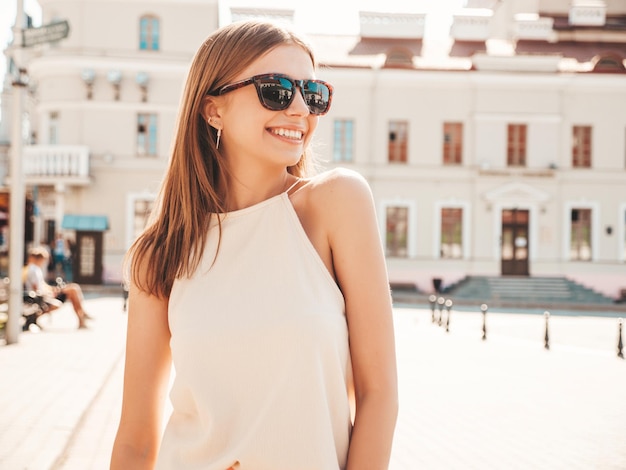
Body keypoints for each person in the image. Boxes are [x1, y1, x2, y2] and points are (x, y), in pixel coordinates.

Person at [111, 20, 398, 470]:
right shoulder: (164, 250)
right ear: (213, 110)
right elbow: (135, 439)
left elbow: (379, 395)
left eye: (314, 93)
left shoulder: (336, 204)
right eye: (277, 89)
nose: (301, 108)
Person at [24, 246, 91, 329]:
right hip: (43, 296)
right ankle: (82, 317)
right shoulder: (34, 270)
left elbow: (41, 285)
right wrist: (50, 292)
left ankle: (82, 317)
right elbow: (36, 289)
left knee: (74, 288)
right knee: (73, 289)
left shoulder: (33, 269)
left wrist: (52, 289)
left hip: (45, 294)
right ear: (39, 259)